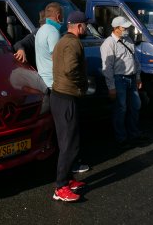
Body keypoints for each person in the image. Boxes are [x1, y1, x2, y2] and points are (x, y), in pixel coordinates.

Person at [50, 10, 90, 202]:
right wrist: (82, 83)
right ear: (79, 26)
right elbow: (70, 69)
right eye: (86, 25)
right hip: (65, 97)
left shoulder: (62, 41)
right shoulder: (73, 43)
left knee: (69, 141)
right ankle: (61, 187)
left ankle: (68, 179)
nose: (87, 28)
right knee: (68, 145)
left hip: (60, 96)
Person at [100, 16, 144, 149]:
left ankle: (134, 134)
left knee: (135, 106)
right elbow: (107, 68)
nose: (127, 30)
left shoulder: (128, 39)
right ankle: (121, 138)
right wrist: (111, 87)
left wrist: (138, 77)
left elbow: (135, 60)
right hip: (119, 79)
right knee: (121, 109)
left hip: (131, 78)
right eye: (124, 28)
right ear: (116, 28)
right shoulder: (108, 44)